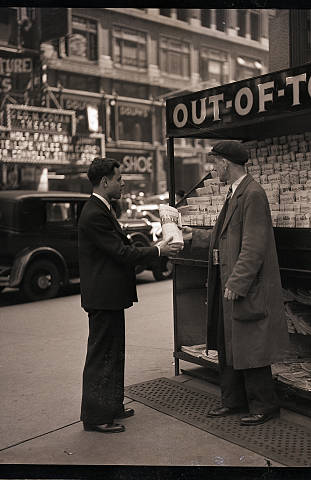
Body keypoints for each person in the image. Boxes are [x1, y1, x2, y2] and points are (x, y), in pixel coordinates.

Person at [185, 141, 289, 426]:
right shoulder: (235, 193)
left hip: (241, 284)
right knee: (229, 344)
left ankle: (264, 406)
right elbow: (224, 238)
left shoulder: (252, 194)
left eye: (215, 163)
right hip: (228, 280)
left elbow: (254, 245)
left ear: (227, 164)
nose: (213, 168)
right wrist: (192, 235)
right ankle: (233, 401)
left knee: (250, 346)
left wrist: (239, 281)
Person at [78, 158, 182, 433]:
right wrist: (159, 250)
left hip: (109, 296)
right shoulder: (94, 214)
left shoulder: (103, 209)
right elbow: (121, 253)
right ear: (105, 182)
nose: (123, 183)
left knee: (114, 352)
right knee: (102, 355)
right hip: (102, 297)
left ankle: (111, 405)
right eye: (119, 178)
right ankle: (97, 416)